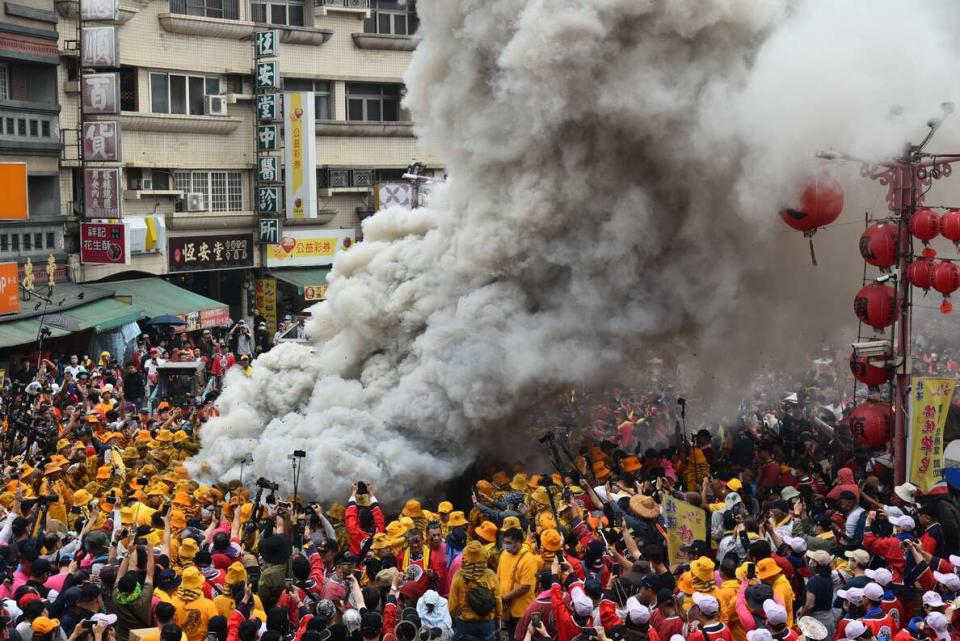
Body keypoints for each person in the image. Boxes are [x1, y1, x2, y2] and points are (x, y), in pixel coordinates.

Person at [447, 541, 500, 641]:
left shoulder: (459, 576)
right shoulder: (490, 575)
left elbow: (452, 605)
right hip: (487, 623)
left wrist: (455, 616)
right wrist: (498, 617)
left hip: (465, 624)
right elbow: (497, 599)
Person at [496, 528, 538, 641]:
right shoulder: (504, 554)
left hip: (522, 611)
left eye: (509, 543)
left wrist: (504, 598)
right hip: (507, 610)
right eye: (504, 542)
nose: (505, 546)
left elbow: (525, 587)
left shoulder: (528, 559)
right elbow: (498, 576)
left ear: (519, 542)